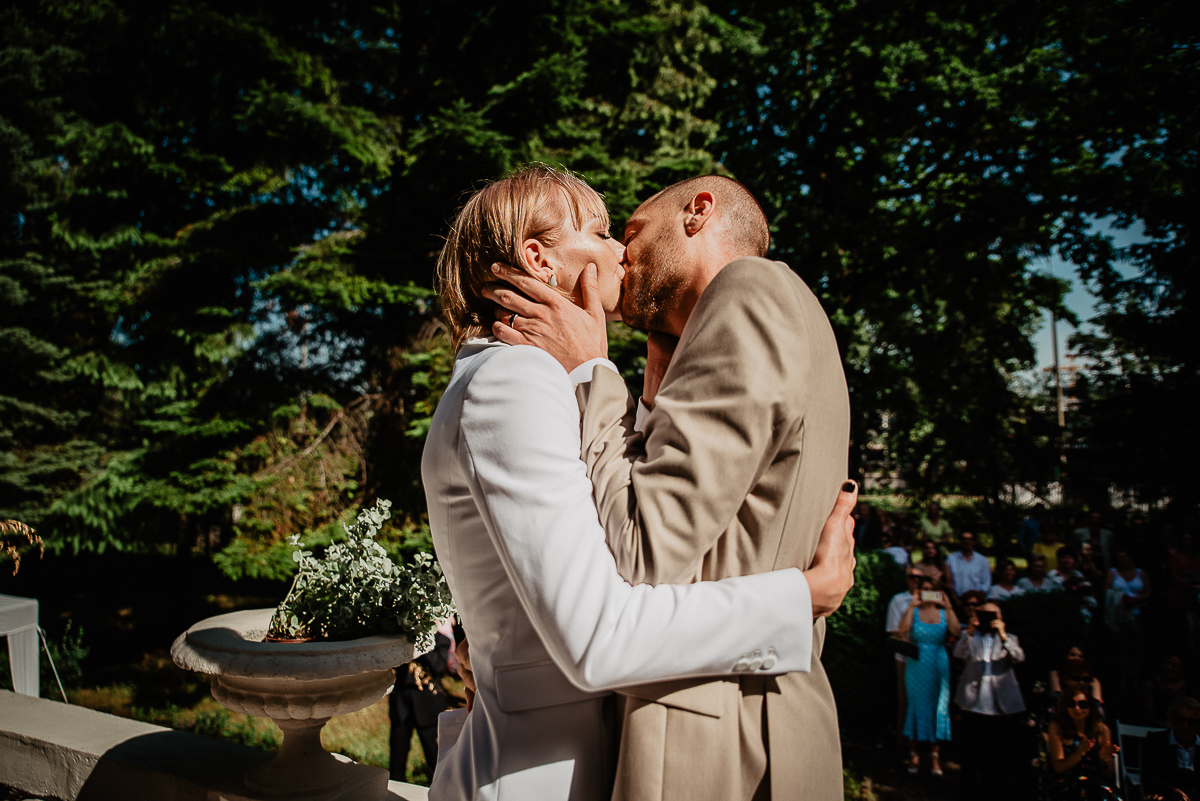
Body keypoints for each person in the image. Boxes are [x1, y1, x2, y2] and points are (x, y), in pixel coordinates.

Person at [422, 165, 859, 800]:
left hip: (715, 730)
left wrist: (596, 375)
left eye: (624, 231)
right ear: (538, 259)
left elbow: (639, 552)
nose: (620, 254)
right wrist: (800, 598)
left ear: (698, 212)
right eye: (602, 233)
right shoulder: (515, 378)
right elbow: (618, 583)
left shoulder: (748, 290)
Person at [954, 601, 1027, 801]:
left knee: (997, 754)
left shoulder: (1010, 638)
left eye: (992, 615)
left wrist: (1003, 636)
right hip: (973, 702)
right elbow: (958, 654)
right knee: (971, 753)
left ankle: (993, 792)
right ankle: (967, 793)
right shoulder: (971, 637)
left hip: (1000, 704)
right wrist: (970, 631)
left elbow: (1018, 658)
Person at [897, 576, 960, 776]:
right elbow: (902, 631)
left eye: (931, 589)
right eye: (924, 589)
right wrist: (912, 605)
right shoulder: (914, 612)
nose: (927, 593)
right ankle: (914, 754)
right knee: (915, 705)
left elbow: (956, 631)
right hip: (917, 664)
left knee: (939, 707)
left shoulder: (943, 613)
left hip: (938, 663)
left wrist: (948, 606)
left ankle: (935, 756)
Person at [1045, 683, 1117, 800]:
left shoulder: (1102, 730)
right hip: (1068, 784)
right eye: (1072, 704)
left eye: (1083, 705)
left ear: (1091, 706)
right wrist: (1078, 753)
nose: (1077, 709)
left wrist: (1105, 760)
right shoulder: (1057, 727)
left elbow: (1109, 774)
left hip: (1097, 785)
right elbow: (1059, 768)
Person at [887, 569, 926, 735]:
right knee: (906, 698)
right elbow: (893, 630)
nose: (916, 581)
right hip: (906, 656)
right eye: (912, 577)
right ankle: (904, 738)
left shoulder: (932, 600)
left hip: (930, 656)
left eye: (920, 577)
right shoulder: (898, 600)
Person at [1142, 696, 1200, 801]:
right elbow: (1148, 778)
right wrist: (1171, 791)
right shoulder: (1155, 741)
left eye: (1192, 722)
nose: (1185, 726)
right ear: (1171, 719)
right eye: (1179, 719)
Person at [1049, 645, 1105, 716]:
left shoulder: (1093, 680)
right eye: (1073, 655)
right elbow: (1056, 702)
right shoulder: (1056, 674)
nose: (1076, 658)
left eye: (1080, 656)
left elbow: (1099, 711)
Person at [946, 531, 991, 600]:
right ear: (960, 541)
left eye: (970, 539)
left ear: (974, 542)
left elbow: (986, 582)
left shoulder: (982, 560)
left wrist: (979, 595)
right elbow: (948, 581)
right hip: (956, 599)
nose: (967, 542)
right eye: (964, 539)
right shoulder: (951, 559)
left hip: (976, 600)